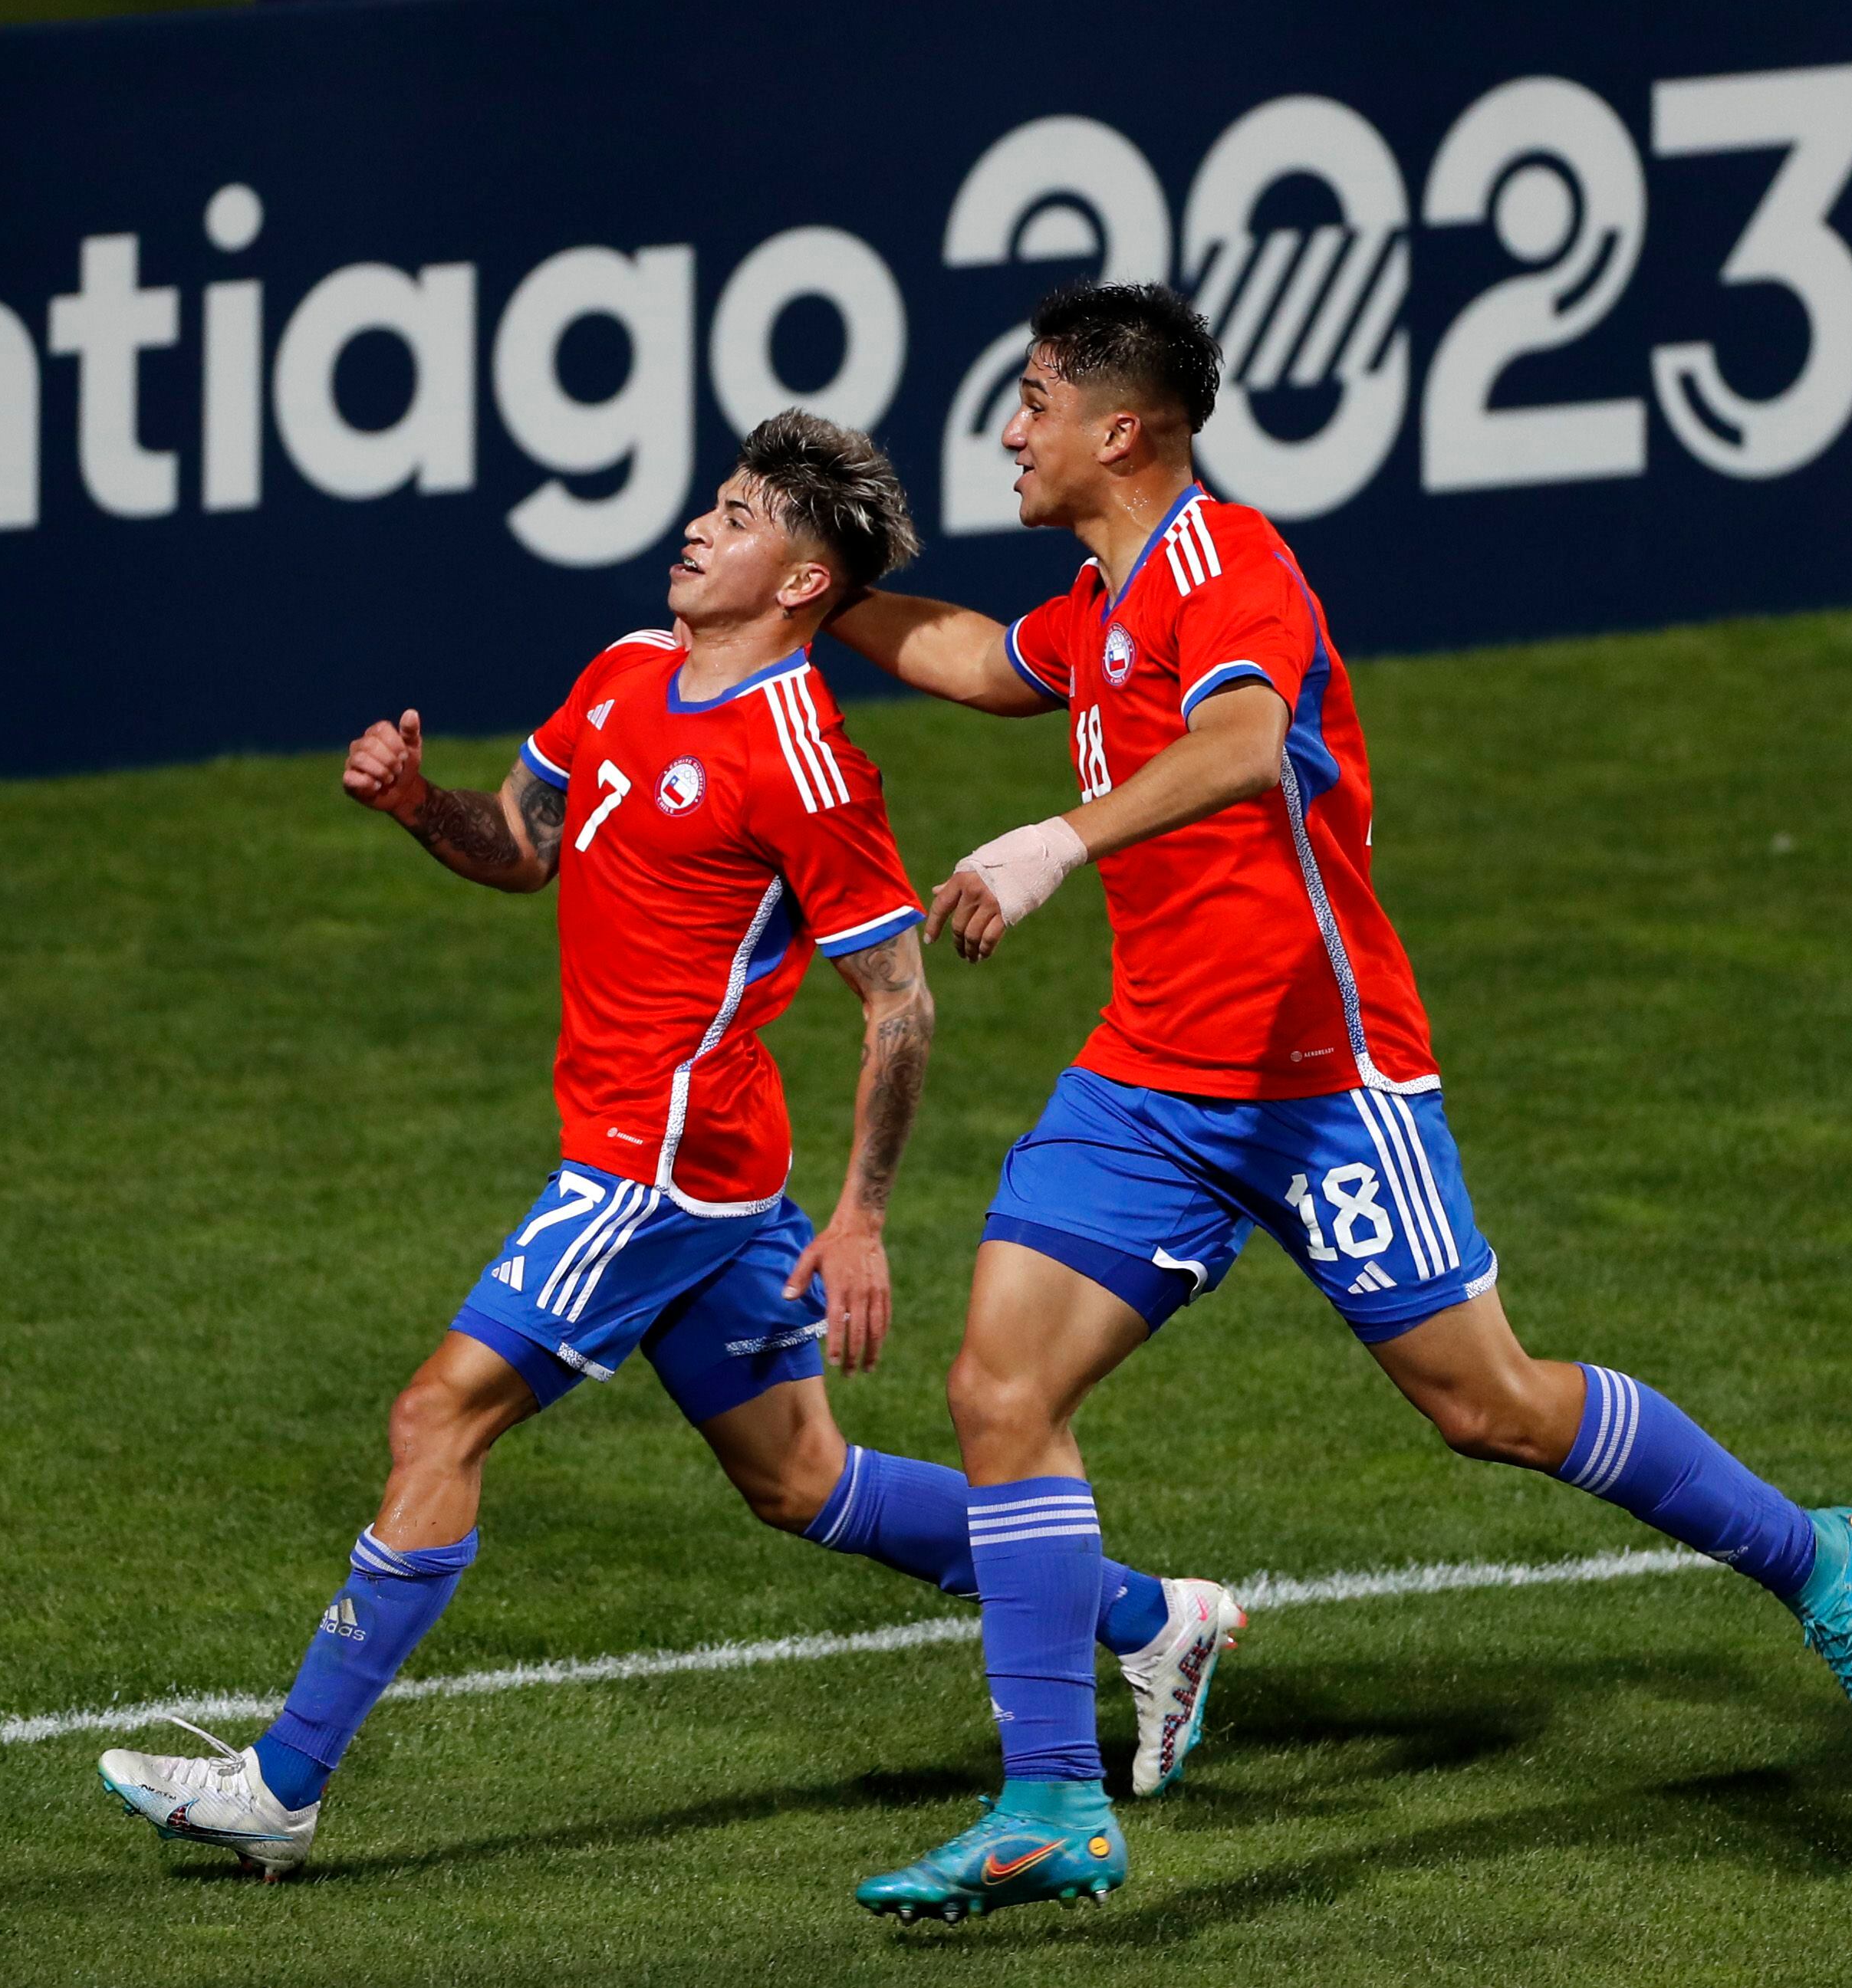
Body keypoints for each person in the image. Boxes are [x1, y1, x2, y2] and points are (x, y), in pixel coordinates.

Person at [817, 281, 1852, 1924]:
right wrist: (828, 598)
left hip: (1321, 1076)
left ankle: (1815, 1556)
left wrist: (1053, 843)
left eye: (1034, 400)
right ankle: (1048, 1799)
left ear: (1117, 427)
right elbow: (989, 661)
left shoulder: (1226, 566)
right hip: (1148, 1077)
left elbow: (1247, 746)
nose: (1008, 428)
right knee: (995, 1390)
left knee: (1484, 1404)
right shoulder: (1102, 593)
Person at [96, 411, 1241, 1879]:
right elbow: (523, 843)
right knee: (804, 1486)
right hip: (704, 1170)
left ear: (803, 583)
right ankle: (1156, 1619)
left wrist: (868, 1219)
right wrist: (412, 807)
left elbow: (898, 1003)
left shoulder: (804, 762)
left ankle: (283, 1784)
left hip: (657, 1171)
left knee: (434, 1421)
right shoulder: (626, 673)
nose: (702, 527)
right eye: (716, 500)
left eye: (744, 514)